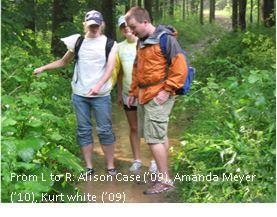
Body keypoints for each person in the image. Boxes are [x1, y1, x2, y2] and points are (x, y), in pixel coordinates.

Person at [33, 10, 118, 176]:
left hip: (101, 96)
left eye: (96, 25)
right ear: (85, 24)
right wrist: (43, 68)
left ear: (102, 24)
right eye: (91, 25)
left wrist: (99, 86)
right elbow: (63, 62)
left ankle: (110, 165)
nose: (94, 28)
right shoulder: (77, 42)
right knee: (83, 130)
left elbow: (110, 68)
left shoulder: (110, 43)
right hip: (80, 95)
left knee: (105, 130)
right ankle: (88, 166)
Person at [125, 7, 188, 194]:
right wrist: (133, 90)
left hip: (158, 95)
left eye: (134, 26)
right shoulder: (141, 41)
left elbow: (181, 67)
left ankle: (165, 180)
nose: (131, 31)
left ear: (145, 21)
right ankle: (163, 172)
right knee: (159, 136)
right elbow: (137, 68)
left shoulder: (165, 39)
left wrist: (168, 90)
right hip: (145, 94)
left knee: (153, 139)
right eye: (129, 27)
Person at [115, 15, 157, 173]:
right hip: (128, 93)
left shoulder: (145, 42)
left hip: (146, 93)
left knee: (150, 128)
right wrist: (119, 94)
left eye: (128, 25)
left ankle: (154, 161)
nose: (126, 28)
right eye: (122, 26)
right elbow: (119, 73)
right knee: (134, 127)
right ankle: (137, 160)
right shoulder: (118, 47)